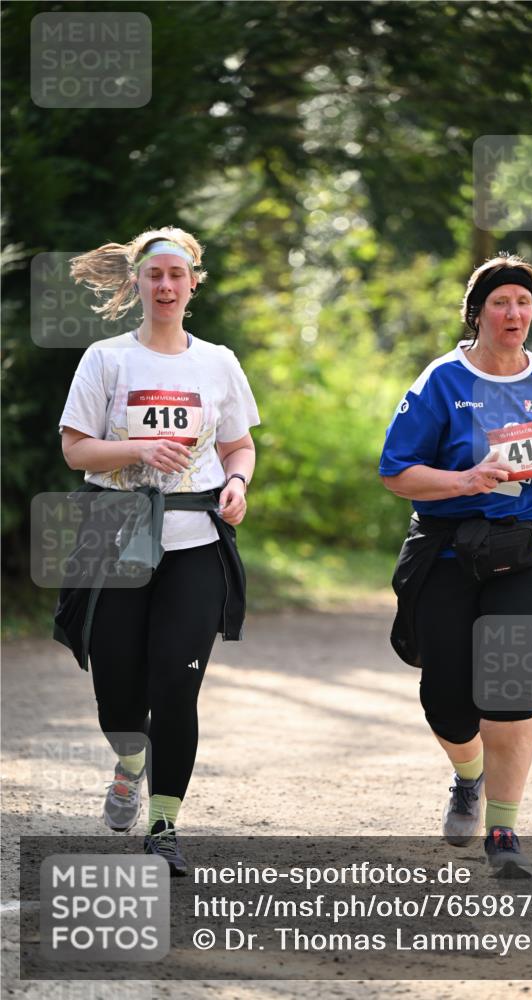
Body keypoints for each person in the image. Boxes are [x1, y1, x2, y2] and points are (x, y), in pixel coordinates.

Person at [379, 254, 532, 877]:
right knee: (446, 700)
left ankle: (504, 832)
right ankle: (468, 777)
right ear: (478, 312)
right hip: (450, 549)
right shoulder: (442, 380)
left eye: (524, 303)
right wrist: (465, 478)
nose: (515, 313)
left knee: (508, 688)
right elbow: (396, 472)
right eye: (502, 302)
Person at [55, 226, 259, 875]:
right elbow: (76, 448)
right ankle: (129, 761)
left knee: (177, 684)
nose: (166, 285)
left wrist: (236, 483)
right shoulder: (107, 359)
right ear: (138, 282)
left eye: (177, 274)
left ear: (193, 281)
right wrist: (138, 450)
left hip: (195, 539)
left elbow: (238, 445)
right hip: (117, 532)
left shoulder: (217, 362)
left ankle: (164, 824)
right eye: (155, 275)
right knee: (118, 694)